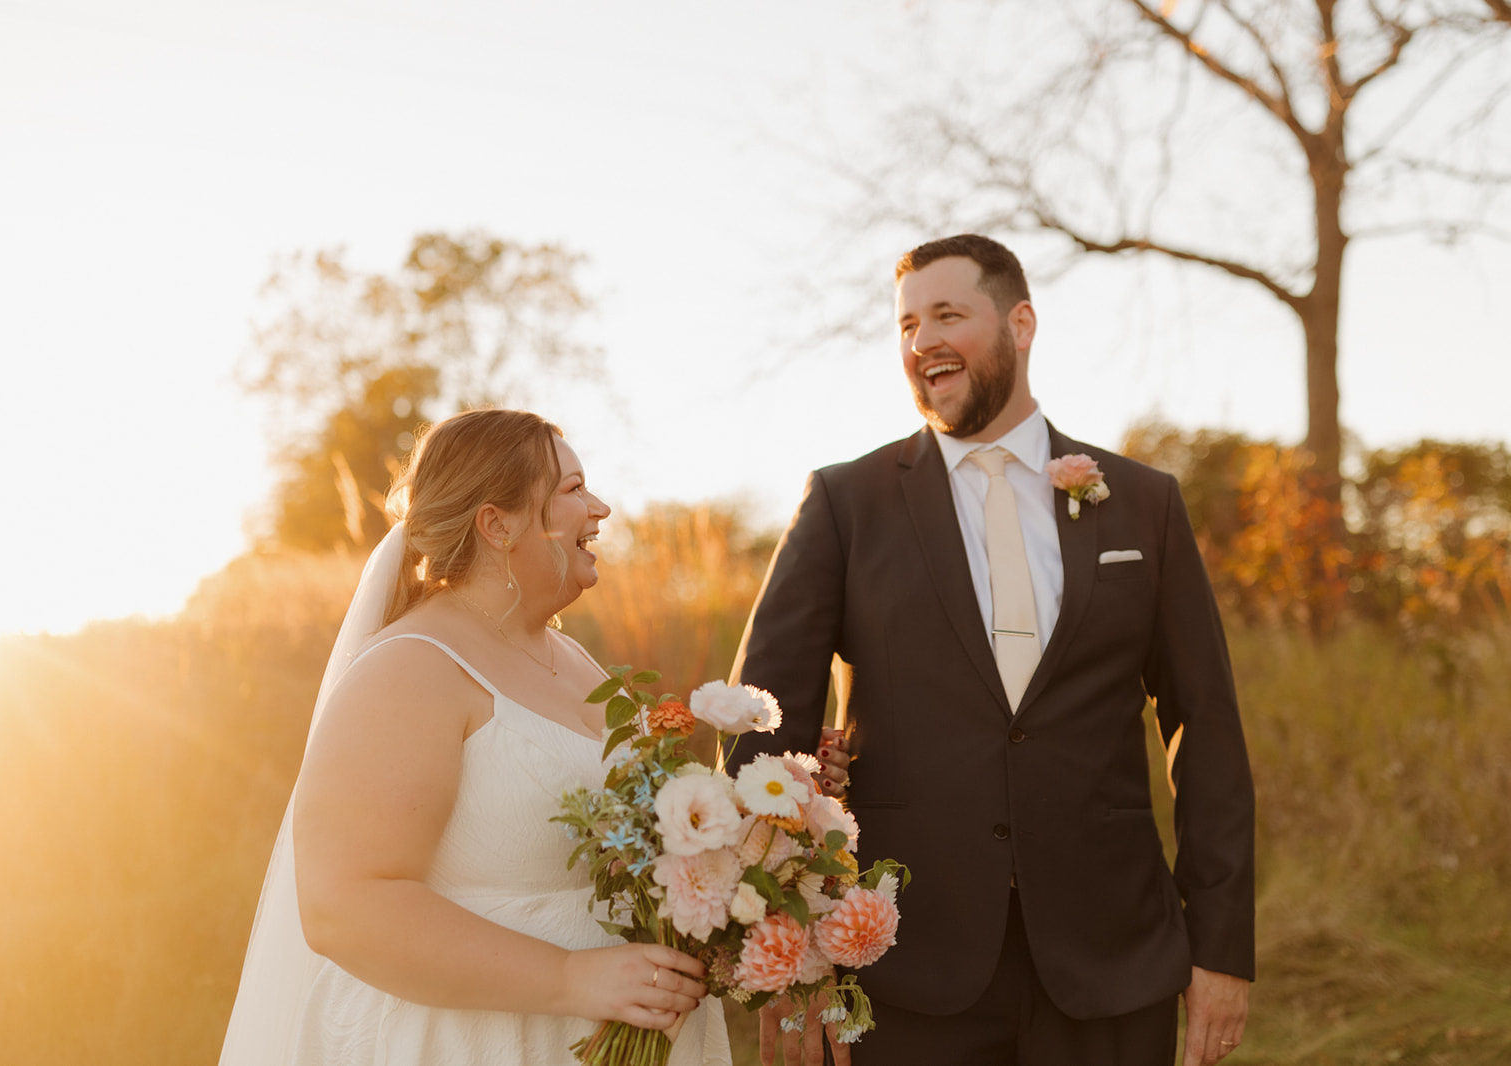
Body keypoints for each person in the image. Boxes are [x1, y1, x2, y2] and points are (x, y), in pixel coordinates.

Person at [730, 236, 1254, 1066]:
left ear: (1020, 323)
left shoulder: (1144, 504)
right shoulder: (846, 502)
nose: (920, 341)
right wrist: (784, 950)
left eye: (947, 315)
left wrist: (1221, 948)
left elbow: (1207, 731)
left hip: (1112, 961)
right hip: (898, 964)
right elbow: (763, 729)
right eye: (905, 325)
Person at [219, 408, 730, 1065]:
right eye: (573, 491)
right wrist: (572, 979)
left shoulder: (576, 662)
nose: (599, 508)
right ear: (498, 523)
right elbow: (343, 906)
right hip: (476, 1043)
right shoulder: (410, 667)